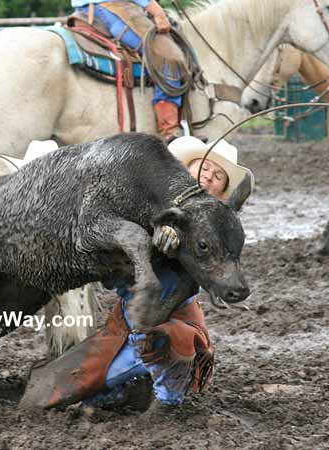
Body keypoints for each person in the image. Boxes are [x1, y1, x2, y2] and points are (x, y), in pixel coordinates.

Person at [22, 135, 255, 411]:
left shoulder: (212, 227)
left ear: (221, 192)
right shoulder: (148, 196)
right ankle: (120, 391)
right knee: (119, 356)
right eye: (205, 168)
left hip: (169, 309)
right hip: (137, 304)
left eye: (218, 177)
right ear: (186, 169)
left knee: (157, 344)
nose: (208, 177)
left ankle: (159, 399)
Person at [71, 0, 185, 141]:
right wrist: (157, 11)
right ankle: (171, 131)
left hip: (87, 9)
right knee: (167, 58)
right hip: (110, 7)